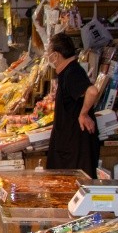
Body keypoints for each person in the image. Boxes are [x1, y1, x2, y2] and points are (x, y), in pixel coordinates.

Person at [46, 33, 101, 178]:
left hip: (76, 148)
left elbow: (92, 91)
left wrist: (83, 114)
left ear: (56, 56)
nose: (48, 57)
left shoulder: (72, 72)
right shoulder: (68, 72)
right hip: (69, 144)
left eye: (49, 53)